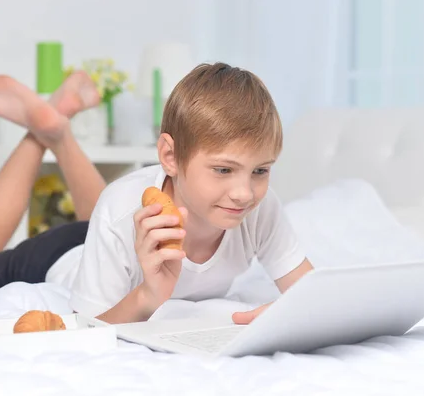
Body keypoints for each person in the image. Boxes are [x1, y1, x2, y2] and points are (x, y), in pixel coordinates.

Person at [65, 62, 314, 326]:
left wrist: (288, 315)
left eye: (260, 171)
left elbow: (313, 295)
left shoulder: (261, 209)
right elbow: (86, 330)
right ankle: (59, 133)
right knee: (94, 213)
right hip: (59, 254)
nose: (244, 194)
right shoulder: (119, 210)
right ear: (170, 156)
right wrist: (147, 296)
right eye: (223, 169)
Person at [0, 70, 107, 288]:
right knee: (110, 233)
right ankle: (54, 130)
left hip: (77, 252)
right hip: (76, 259)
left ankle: (54, 131)